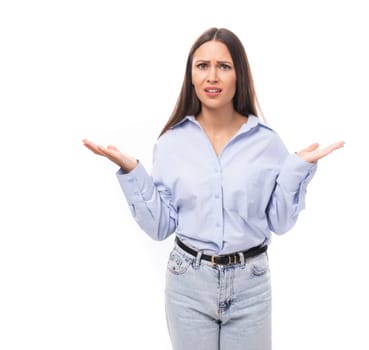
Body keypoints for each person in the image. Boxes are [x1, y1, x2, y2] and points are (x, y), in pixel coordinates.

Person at [83, 27, 344, 350]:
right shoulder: (171, 143)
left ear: (239, 76)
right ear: (191, 77)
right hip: (188, 284)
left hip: (251, 285)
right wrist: (132, 170)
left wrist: (297, 170)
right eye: (202, 66)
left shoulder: (267, 142)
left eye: (224, 66)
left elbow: (280, 222)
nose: (212, 76)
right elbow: (161, 226)